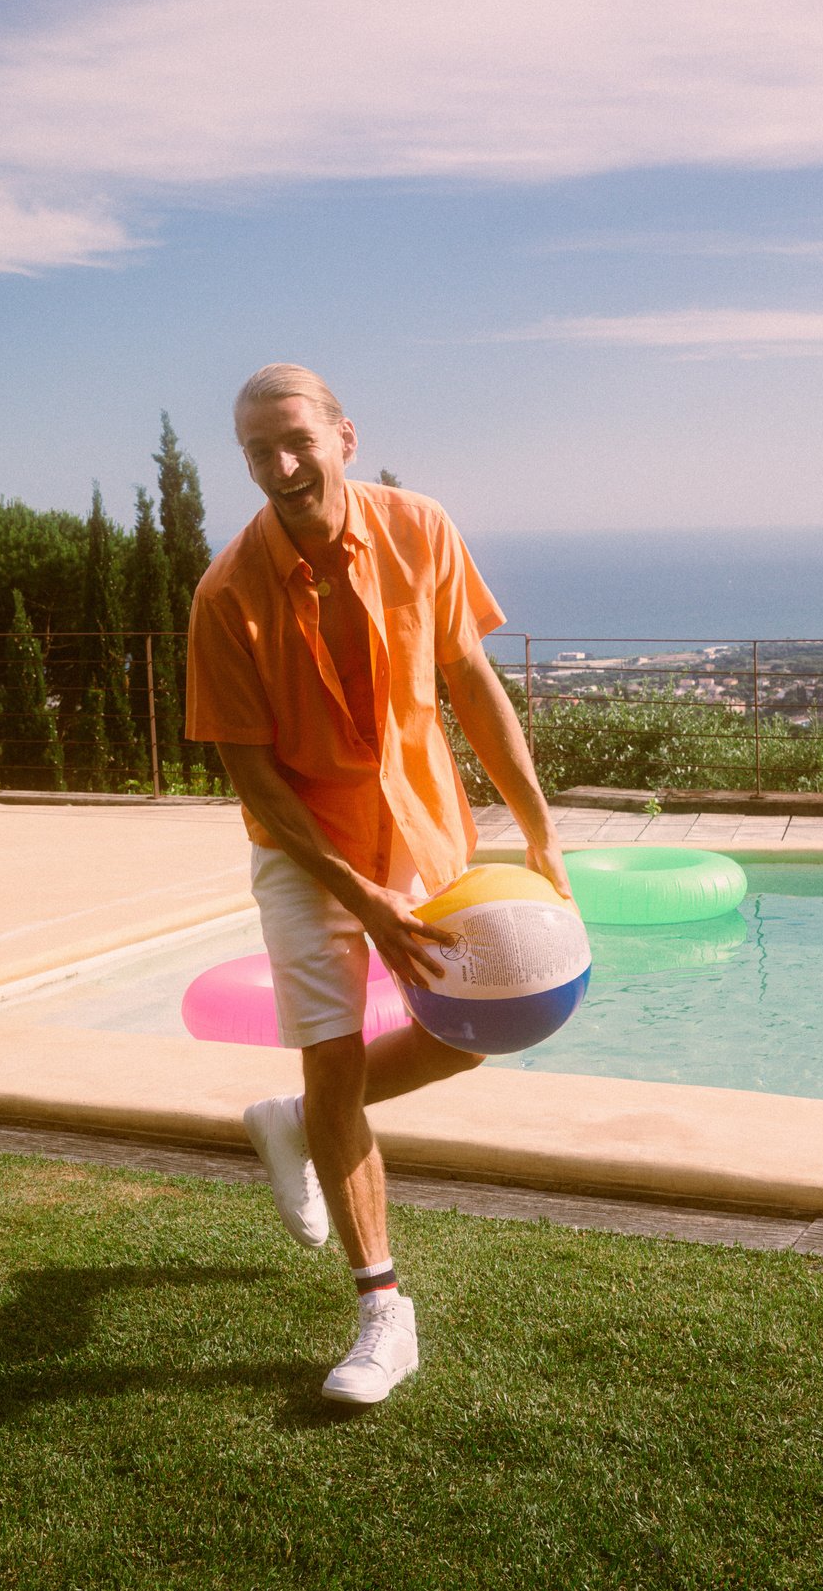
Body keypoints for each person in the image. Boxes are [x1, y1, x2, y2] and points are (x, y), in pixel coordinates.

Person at [185, 362, 569, 1406]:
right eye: (259, 449)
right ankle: (382, 1310)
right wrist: (359, 896)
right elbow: (251, 772)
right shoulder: (225, 595)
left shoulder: (421, 527)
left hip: (421, 826)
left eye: (297, 438)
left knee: (469, 1030)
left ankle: (296, 1117)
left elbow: (469, 677)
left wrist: (537, 829)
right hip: (306, 850)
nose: (281, 463)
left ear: (343, 437)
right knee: (334, 1053)